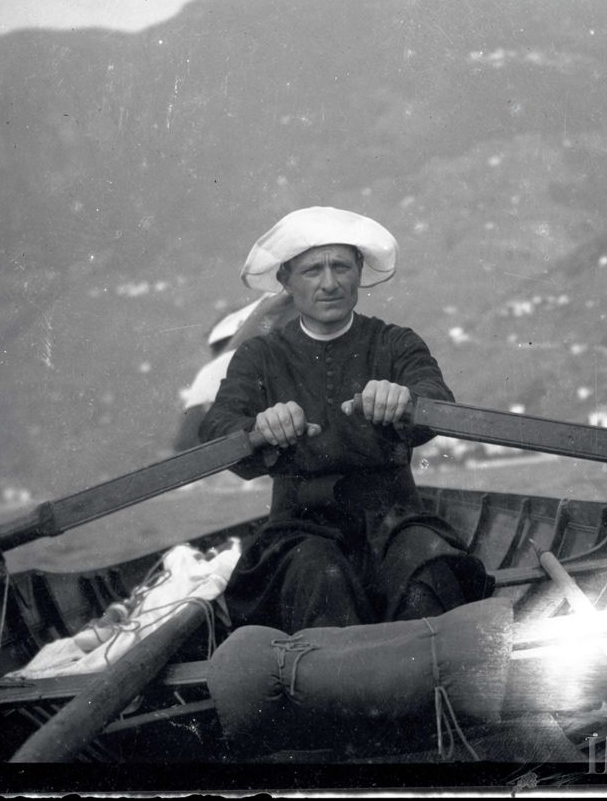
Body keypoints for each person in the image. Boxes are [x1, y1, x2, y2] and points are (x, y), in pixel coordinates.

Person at [199, 205, 491, 633]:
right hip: (299, 533)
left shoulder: (396, 343)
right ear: (286, 281)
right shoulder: (259, 357)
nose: (330, 283)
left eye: (340, 266)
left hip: (396, 525)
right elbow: (216, 430)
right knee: (319, 577)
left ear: (358, 271)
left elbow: (437, 401)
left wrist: (407, 400)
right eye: (312, 270)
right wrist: (258, 429)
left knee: (429, 571)